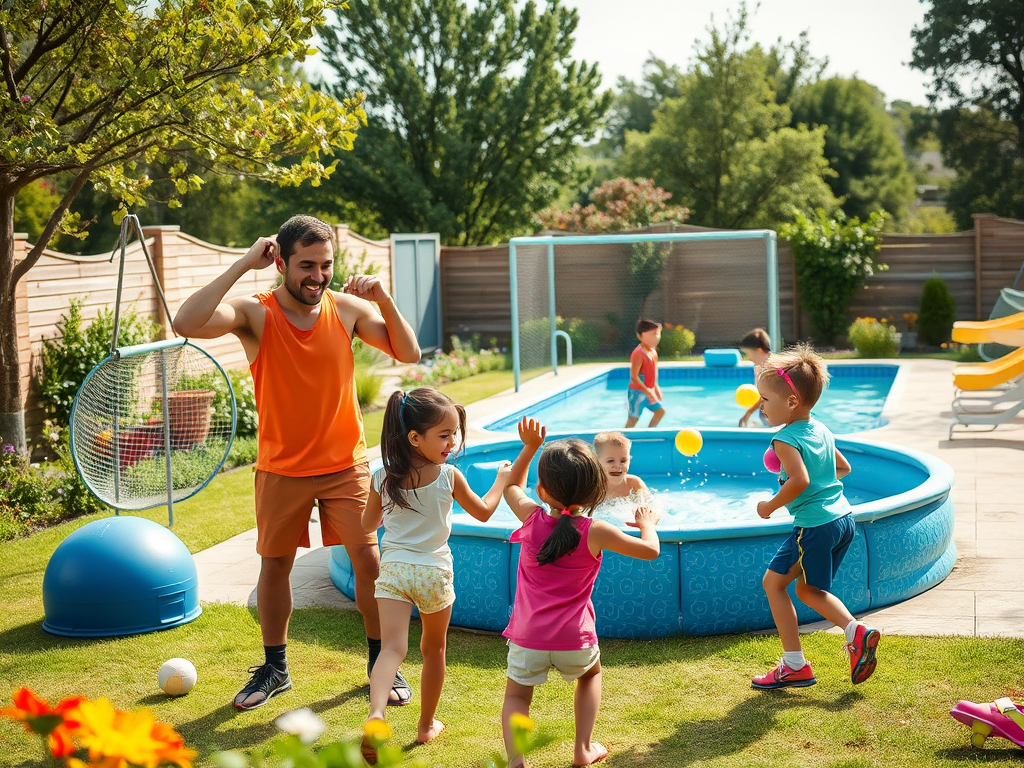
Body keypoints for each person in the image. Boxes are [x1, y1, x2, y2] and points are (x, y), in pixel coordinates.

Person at [172, 215, 421, 710]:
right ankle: (276, 668)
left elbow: (408, 353)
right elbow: (185, 322)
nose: (318, 275)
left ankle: (380, 665)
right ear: (281, 262)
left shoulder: (347, 310)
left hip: (344, 467)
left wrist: (384, 299)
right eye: (306, 265)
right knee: (275, 568)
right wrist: (244, 262)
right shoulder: (255, 313)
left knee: (369, 563)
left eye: (325, 265)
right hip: (281, 469)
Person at [360, 388, 511, 762]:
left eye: (455, 433)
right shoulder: (448, 476)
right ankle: (426, 726)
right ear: (415, 437)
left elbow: (368, 523)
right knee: (434, 649)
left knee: (391, 649)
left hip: (394, 571)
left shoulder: (382, 477)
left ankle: (376, 713)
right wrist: (501, 481)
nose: (452, 442)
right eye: (444, 435)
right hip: (433, 573)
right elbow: (484, 513)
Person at [501, 417, 660, 768]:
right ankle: (583, 749)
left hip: (528, 637)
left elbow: (512, 484)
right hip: (576, 639)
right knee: (590, 676)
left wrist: (529, 447)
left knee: (516, 696)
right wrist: (647, 524)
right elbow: (650, 550)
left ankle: (516, 762)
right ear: (595, 491)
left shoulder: (530, 519)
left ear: (542, 491)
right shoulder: (596, 531)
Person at [751, 344, 880, 690]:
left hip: (815, 526)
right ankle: (854, 632)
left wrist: (770, 506)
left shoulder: (783, 439)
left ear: (790, 403)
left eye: (765, 399)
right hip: (842, 519)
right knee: (808, 589)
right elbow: (842, 467)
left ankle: (798, 663)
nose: (760, 406)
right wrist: (822, 491)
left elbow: (800, 480)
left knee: (774, 583)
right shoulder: (820, 429)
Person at [625, 319, 665, 429]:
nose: (656, 337)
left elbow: (654, 371)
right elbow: (634, 375)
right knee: (633, 418)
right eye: (653, 334)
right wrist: (647, 391)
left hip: (649, 391)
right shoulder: (638, 353)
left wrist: (656, 387)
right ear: (641, 336)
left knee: (660, 412)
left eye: (657, 334)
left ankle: (649, 433)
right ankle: (622, 439)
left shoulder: (653, 351)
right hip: (637, 392)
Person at [593, 432, 650, 501]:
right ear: (596, 461)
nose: (618, 466)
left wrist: (646, 509)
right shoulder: (591, 487)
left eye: (623, 461)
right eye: (610, 461)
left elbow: (651, 506)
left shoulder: (634, 484)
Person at [738, 328, 772, 427]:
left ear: (759, 350)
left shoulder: (772, 368)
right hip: (767, 417)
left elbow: (766, 395)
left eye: (750, 354)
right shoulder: (758, 368)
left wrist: (749, 412)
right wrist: (748, 413)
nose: (750, 358)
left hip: (776, 418)